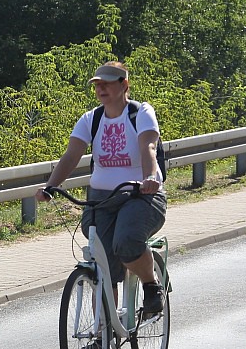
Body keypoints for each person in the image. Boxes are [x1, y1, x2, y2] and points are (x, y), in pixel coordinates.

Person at [35, 61, 166, 317]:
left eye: (107, 83)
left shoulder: (140, 113)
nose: (101, 88)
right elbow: (71, 156)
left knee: (126, 241)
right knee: (103, 264)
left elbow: (148, 147)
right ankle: (101, 333)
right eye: (97, 84)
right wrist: (50, 186)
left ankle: (151, 284)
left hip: (141, 195)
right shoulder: (91, 119)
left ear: (124, 85)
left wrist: (151, 177)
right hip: (101, 199)